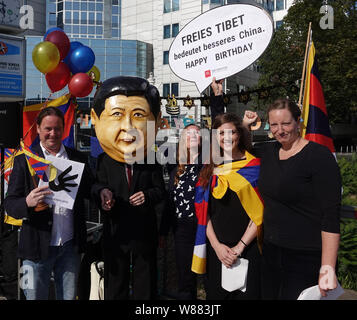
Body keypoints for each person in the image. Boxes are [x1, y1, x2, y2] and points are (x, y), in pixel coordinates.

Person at [243, 98, 342, 300]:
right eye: (274, 124)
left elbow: (331, 216)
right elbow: (236, 147)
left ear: (298, 122)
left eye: (286, 123)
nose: (280, 130)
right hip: (271, 253)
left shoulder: (318, 156)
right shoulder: (269, 151)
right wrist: (245, 124)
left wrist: (327, 267)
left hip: (306, 257)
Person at [4, 106, 93, 300]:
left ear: (64, 129)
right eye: (48, 129)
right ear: (37, 129)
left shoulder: (77, 158)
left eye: (57, 128)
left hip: (69, 246)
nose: (53, 133)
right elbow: (9, 204)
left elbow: (90, 189)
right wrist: (27, 202)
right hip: (36, 248)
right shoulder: (24, 160)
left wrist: (102, 191)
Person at [90, 76, 166, 300]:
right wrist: (103, 195)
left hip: (144, 232)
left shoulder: (150, 158)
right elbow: (96, 186)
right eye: (117, 115)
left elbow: (160, 190)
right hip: (116, 232)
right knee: (116, 284)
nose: (128, 127)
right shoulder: (104, 160)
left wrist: (147, 196)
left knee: (146, 283)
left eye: (138, 115)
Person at [198, 113, 264, 300]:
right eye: (221, 133)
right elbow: (203, 213)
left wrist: (239, 248)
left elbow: (259, 212)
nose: (227, 138)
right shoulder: (208, 168)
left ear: (239, 134)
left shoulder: (254, 166)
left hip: (247, 248)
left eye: (232, 132)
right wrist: (217, 247)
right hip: (217, 250)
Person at [164, 123, 204, 300]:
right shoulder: (175, 165)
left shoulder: (207, 162)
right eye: (188, 134)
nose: (193, 136)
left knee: (208, 273)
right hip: (182, 228)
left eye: (197, 133)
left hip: (204, 225)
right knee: (185, 276)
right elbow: (170, 200)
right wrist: (163, 231)